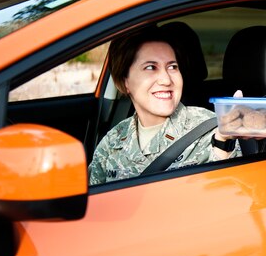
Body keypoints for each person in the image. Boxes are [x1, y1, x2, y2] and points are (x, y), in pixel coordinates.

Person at [89, 26, 240, 185]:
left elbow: (228, 194)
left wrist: (224, 144)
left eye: (172, 67)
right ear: (125, 81)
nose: (166, 80)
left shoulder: (212, 129)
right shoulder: (114, 140)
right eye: (150, 67)